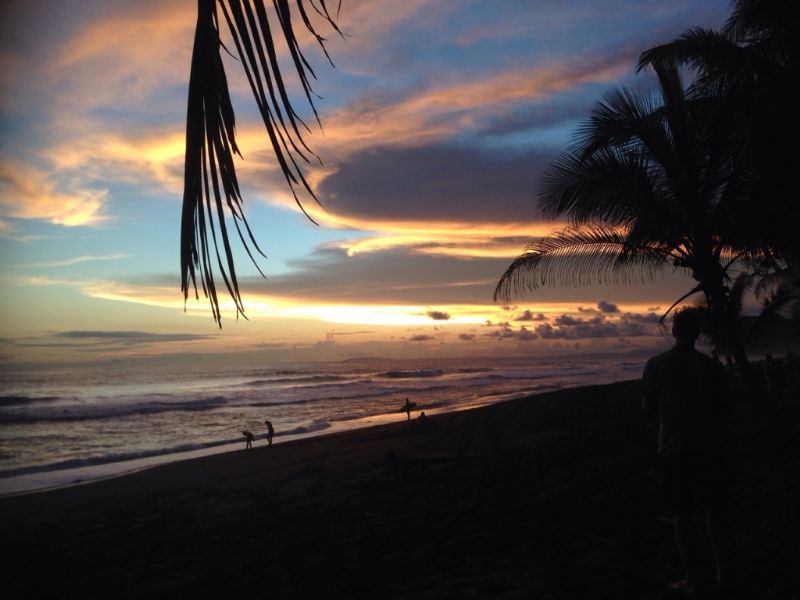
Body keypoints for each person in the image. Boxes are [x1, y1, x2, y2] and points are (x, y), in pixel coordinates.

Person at [642, 309, 729, 596]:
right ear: (697, 333)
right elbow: (723, 409)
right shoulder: (711, 367)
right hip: (709, 446)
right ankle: (723, 574)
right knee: (713, 510)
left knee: (681, 513)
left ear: (674, 331)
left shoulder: (656, 365)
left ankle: (692, 578)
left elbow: (649, 410)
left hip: (673, 448)